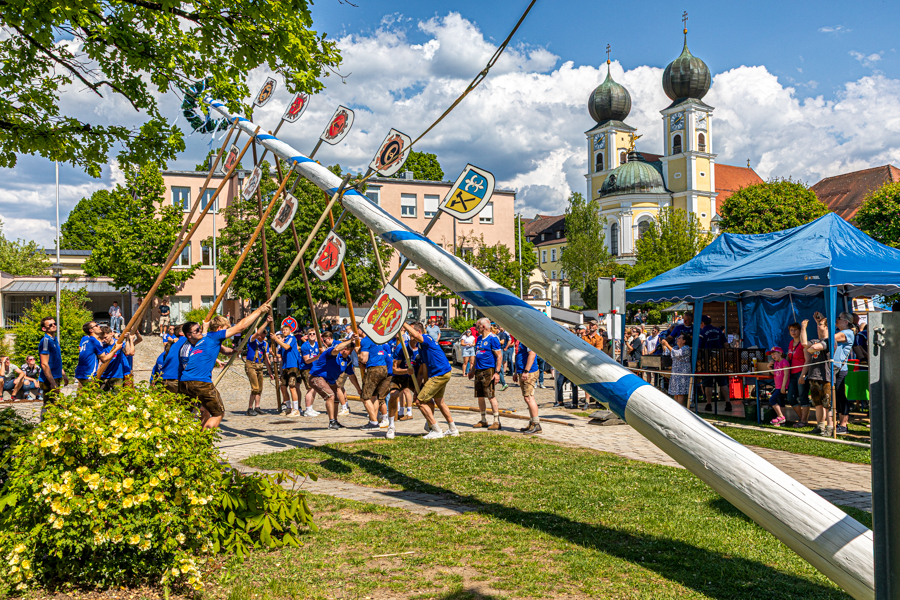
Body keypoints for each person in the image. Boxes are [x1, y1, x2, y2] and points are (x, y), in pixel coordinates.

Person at [181, 303, 272, 429]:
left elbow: (223, 350)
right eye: (225, 328)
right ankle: (203, 438)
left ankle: (193, 436)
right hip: (200, 382)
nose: (227, 331)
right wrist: (259, 310)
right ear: (219, 329)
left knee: (200, 411)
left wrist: (233, 351)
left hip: (185, 381)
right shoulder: (214, 336)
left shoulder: (203, 339)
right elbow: (241, 327)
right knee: (218, 413)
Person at [402, 322, 458, 439]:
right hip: (440, 373)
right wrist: (417, 391)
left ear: (419, 331)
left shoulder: (426, 338)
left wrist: (402, 322)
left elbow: (416, 335)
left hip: (440, 373)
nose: (409, 334)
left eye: (410, 332)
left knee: (420, 402)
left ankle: (436, 430)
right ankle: (453, 429)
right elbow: (422, 372)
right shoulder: (421, 347)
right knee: (439, 401)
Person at [307, 331, 361, 431]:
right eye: (350, 351)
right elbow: (336, 349)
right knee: (330, 395)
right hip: (316, 377)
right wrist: (350, 340)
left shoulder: (347, 360)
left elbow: (352, 376)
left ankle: (335, 421)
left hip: (330, 380)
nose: (351, 353)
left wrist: (358, 389)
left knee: (336, 398)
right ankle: (331, 422)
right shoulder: (331, 352)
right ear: (344, 349)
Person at [819, 311, 855, 435]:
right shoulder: (841, 332)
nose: (836, 320)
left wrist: (824, 326)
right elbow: (823, 339)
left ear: (846, 321)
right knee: (836, 396)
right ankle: (839, 424)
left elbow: (829, 339)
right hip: (833, 368)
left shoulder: (848, 333)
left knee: (840, 396)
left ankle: (843, 425)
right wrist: (820, 324)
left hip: (840, 369)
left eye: (839, 318)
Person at [800, 318, 832, 436]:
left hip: (825, 377)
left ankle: (830, 427)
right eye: (817, 324)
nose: (818, 326)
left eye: (820, 324)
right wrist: (803, 328)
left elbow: (813, 348)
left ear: (827, 327)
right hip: (813, 376)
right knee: (817, 404)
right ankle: (820, 426)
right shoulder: (815, 340)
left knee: (827, 404)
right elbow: (804, 343)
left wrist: (809, 349)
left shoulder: (829, 341)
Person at [470, 318, 502, 430]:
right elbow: (477, 354)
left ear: (483, 326)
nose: (476, 328)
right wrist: (472, 369)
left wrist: (497, 372)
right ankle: (483, 420)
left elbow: (499, 356)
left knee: (490, 396)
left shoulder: (493, 338)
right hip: (479, 370)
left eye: (478, 326)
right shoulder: (479, 338)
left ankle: (496, 421)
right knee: (480, 396)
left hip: (488, 370)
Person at [270, 321, 306, 417]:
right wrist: (274, 354)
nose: (284, 331)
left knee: (292, 387)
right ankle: (289, 407)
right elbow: (280, 355)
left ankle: (296, 409)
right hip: (285, 366)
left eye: (286, 330)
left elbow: (286, 347)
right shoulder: (283, 341)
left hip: (293, 366)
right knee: (283, 387)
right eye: (283, 330)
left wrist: (276, 339)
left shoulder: (291, 338)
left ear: (290, 331)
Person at [358, 334, 394, 430]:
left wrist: (358, 353)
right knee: (374, 397)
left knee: (365, 397)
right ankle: (374, 420)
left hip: (374, 369)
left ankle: (373, 422)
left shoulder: (365, 340)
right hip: (383, 368)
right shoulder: (376, 339)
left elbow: (364, 359)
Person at [698, 315, 731, 412]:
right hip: (719, 359)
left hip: (707, 360)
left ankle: (709, 404)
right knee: (723, 382)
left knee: (708, 383)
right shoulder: (719, 330)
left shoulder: (702, 332)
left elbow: (699, 347)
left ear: (702, 323)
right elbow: (726, 344)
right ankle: (728, 403)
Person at [244, 316, 274, 416]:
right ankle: (249, 408)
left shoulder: (265, 344)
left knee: (260, 388)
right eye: (262, 336)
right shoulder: (252, 340)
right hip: (251, 365)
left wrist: (270, 372)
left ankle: (257, 407)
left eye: (264, 336)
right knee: (255, 388)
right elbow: (256, 334)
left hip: (260, 365)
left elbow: (266, 359)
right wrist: (266, 322)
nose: (263, 337)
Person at [37, 316, 68, 412]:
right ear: (44, 328)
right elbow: (44, 364)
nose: (54, 325)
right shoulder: (46, 341)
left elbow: (56, 359)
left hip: (56, 376)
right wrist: (52, 382)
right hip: (49, 379)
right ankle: (44, 421)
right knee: (49, 406)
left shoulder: (54, 339)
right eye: (50, 325)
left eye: (54, 323)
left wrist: (63, 374)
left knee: (55, 404)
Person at [512, 339, 541, 434]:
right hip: (522, 371)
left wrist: (526, 371)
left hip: (529, 372)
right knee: (527, 398)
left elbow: (532, 354)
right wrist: (516, 372)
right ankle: (532, 423)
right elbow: (518, 355)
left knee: (529, 397)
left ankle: (536, 424)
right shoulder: (519, 340)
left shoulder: (527, 339)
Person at [390, 332, 419, 428]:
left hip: (415, 376)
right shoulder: (401, 347)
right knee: (395, 394)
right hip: (401, 375)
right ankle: (396, 416)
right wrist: (406, 371)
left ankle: (409, 412)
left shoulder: (422, 346)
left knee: (420, 397)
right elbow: (395, 369)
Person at [785, 322, 810, 428]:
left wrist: (803, 375)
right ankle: (802, 419)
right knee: (790, 397)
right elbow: (788, 357)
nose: (793, 332)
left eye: (795, 329)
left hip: (801, 372)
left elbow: (808, 360)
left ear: (800, 331)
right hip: (792, 373)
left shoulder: (803, 343)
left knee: (803, 397)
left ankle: (803, 421)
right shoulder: (791, 343)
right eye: (791, 330)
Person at [659, 334, 691, 408]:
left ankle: (680, 408)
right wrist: (664, 344)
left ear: (684, 341)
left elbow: (676, 353)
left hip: (682, 373)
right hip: (675, 372)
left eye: (679, 338)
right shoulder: (676, 347)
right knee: (675, 392)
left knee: (680, 392)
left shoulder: (686, 348)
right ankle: (676, 408)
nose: (677, 339)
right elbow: (668, 352)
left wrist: (667, 344)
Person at [98, 328, 135, 392]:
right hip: (104, 374)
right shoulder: (102, 345)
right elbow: (99, 361)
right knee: (102, 394)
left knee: (117, 395)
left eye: (105, 337)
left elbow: (128, 352)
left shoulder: (118, 343)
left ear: (111, 334)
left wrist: (127, 339)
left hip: (117, 375)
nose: (104, 340)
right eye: (102, 338)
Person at [75, 321, 109, 387]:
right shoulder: (94, 341)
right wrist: (116, 349)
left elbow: (80, 349)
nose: (99, 326)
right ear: (91, 330)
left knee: (82, 392)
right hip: (89, 373)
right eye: (96, 325)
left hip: (80, 372)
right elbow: (104, 359)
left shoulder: (85, 339)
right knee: (90, 392)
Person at [160, 325, 189, 395]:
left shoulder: (175, 344)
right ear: (181, 333)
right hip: (175, 379)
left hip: (164, 377)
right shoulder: (186, 340)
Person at [766, 346, 790, 425]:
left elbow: (786, 374)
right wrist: (769, 368)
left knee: (772, 400)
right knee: (781, 402)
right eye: (771, 355)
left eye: (774, 354)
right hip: (778, 386)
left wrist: (783, 386)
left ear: (780, 353)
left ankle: (780, 416)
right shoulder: (776, 363)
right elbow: (775, 373)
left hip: (782, 386)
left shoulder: (784, 362)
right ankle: (782, 421)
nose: (773, 356)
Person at [497, 325, 514, 390]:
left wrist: (506, 347)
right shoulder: (500, 333)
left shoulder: (505, 333)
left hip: (506, 349)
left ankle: (506, 372)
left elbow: (510, 341)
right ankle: (502, 379)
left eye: (501, 327)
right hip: (502, 349)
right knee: (502, 362)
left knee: (506, 360)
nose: (500, 328)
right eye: (499, 327)